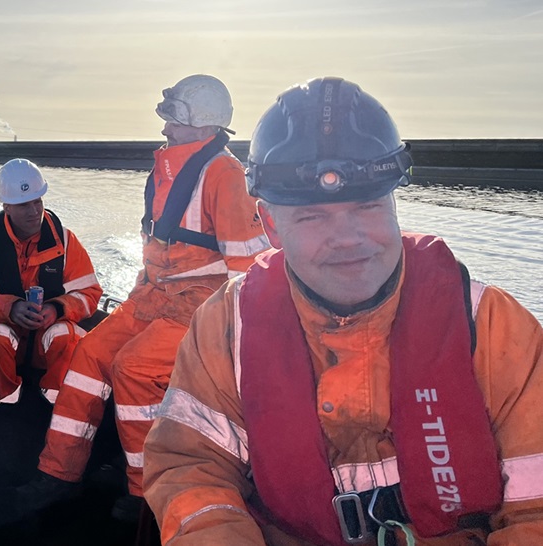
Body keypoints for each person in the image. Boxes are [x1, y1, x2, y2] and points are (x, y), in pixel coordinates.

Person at [144, 77, 543, 545]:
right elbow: (190, 468)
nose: (349, 237)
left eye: (368, 206)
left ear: (394, 202)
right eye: (313, 216)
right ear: (271, 224)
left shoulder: (492, 325)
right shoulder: (225, 327)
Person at [18, 74, 270, 520]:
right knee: (89, 353)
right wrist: (140, 296)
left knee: (132, 369)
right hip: (153, 295)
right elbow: (155, 249)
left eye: (173, 118)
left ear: (203, 124)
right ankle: (58, 475)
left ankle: (145, 494)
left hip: (203, 307)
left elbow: (248, 273)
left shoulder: (227, 175)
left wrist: (232, 341)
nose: (165, 128)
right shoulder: (164, 171)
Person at [0, 158, 102, 406]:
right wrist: (10, 308)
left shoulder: (66, 240)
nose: (34, 211)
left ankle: (55, 404)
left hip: (45, 337)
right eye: (24, 205)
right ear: (6, 206)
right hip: (6, 335)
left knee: (69, 336)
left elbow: (89, 293)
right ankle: (0, 406)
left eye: (38, 201)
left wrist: (57, 309)